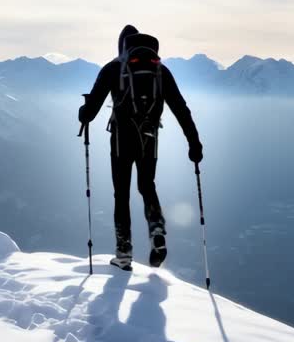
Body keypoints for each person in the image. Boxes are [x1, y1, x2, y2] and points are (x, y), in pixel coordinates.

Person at [78, 25, 202, 271]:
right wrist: (194, 142)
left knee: (121, 194)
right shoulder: (160, 71)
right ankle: (157, 230)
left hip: (120, 141)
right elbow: (181, 109)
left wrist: (83, 111)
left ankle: (123, 252)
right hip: (150, 139)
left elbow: (89, 113)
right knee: (147, 186)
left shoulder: (114, 68)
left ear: (122, 46)